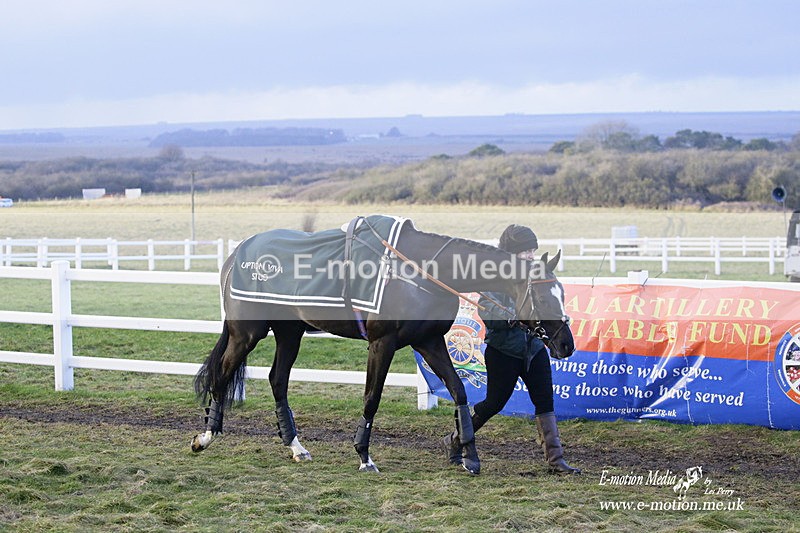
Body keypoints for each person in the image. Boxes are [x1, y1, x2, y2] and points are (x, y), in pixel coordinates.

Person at [444, 224, 580, 475]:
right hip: (503, 351)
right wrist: (509, 317)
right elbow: (486, 310)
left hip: (535, 349)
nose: (530, 256)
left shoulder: (538, 274)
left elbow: (549, 302)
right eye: (524, 252)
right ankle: (456, 438)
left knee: (545, 402)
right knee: (494, 403)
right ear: (510, 253)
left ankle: (556, 460)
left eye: (532, 251)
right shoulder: (495, 276)